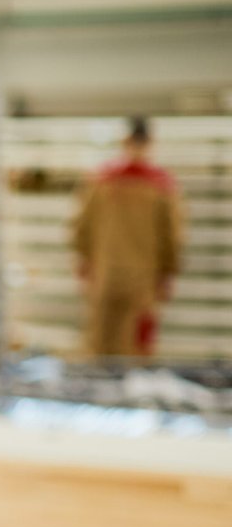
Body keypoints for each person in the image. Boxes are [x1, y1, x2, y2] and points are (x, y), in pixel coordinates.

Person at [73, 116, 183, 358]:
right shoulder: (161, 186)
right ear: (150, 143)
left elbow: (82, 227)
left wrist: (84, 262)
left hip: (105, 274)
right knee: (135, 347)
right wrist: (167, 272)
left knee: (101, 343)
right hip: (142, 278)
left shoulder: (100, 181)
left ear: (125, 141)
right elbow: (171, 237)